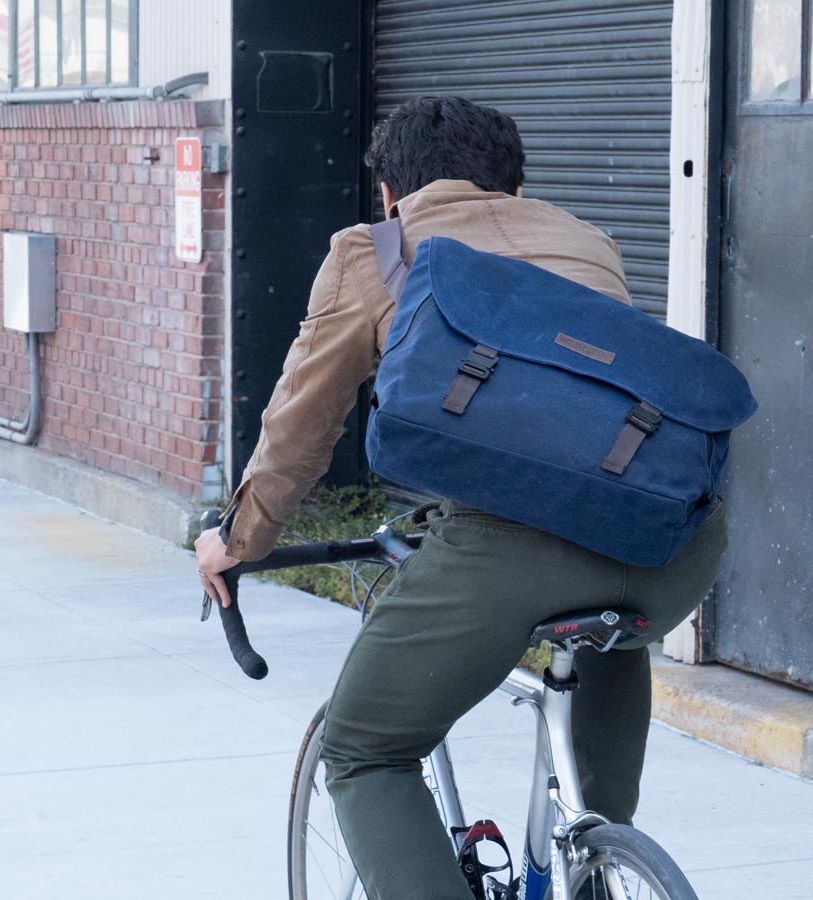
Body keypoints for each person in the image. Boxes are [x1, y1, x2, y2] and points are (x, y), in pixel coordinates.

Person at [195, 96, 727, 900]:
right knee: (611, 640)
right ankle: (594, 856)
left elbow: (300, 425)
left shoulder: (372, 252)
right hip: (674, 551)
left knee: (364, 750)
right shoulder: (589, 242)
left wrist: (240, 539)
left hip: (511, 553)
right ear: (514, 188)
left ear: (388, 196)